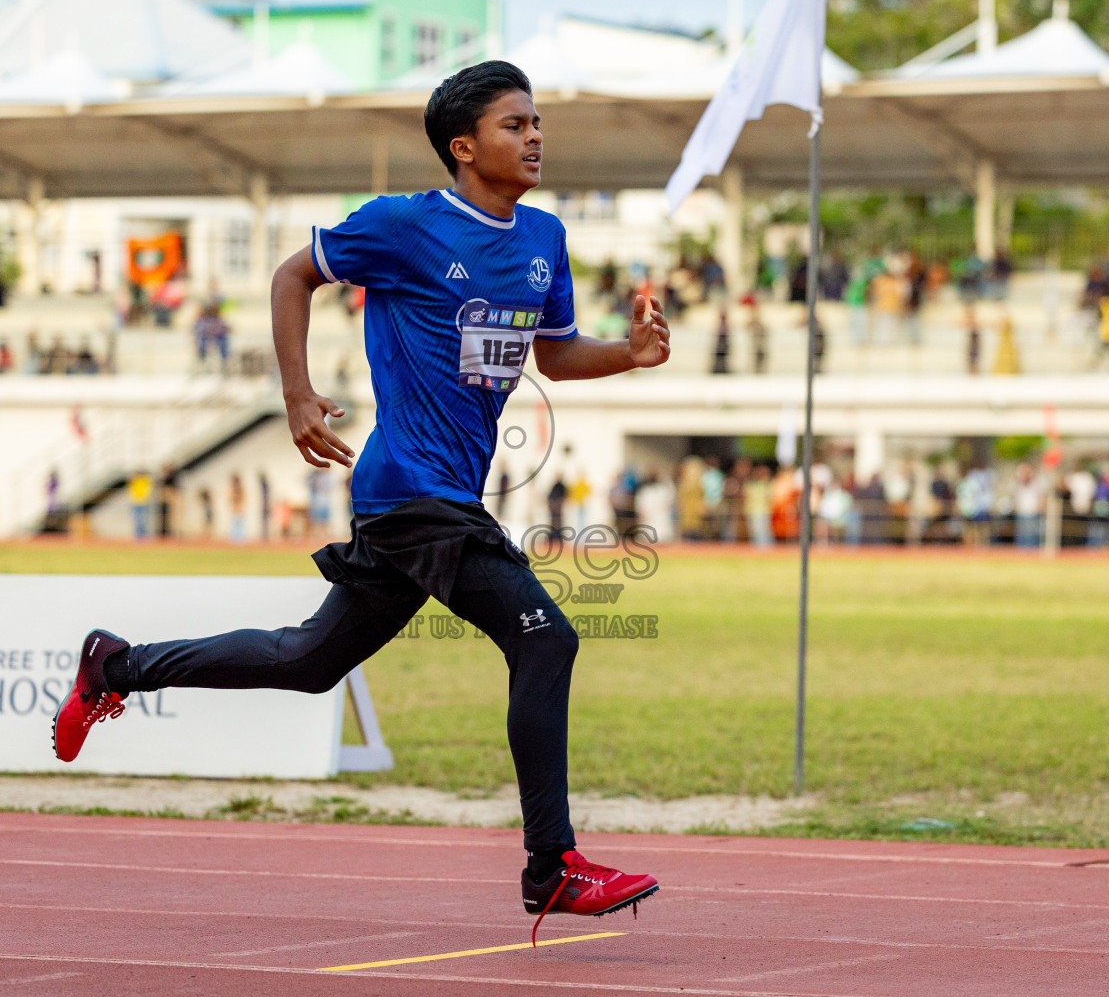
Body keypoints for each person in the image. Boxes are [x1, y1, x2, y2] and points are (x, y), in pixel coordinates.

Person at [51, 61, 665, 928]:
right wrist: (297, 395)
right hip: (410, 489)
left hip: (441, 496)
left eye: (537, 125)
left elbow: (557, 354)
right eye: (514, 125)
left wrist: (630, 355)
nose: (535, 138)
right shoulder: (403, 226)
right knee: (546, 638)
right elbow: (290, 277)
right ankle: (551, 867)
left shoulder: (544, 241)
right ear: (463, 146)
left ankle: (116, 666)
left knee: (308, 663)